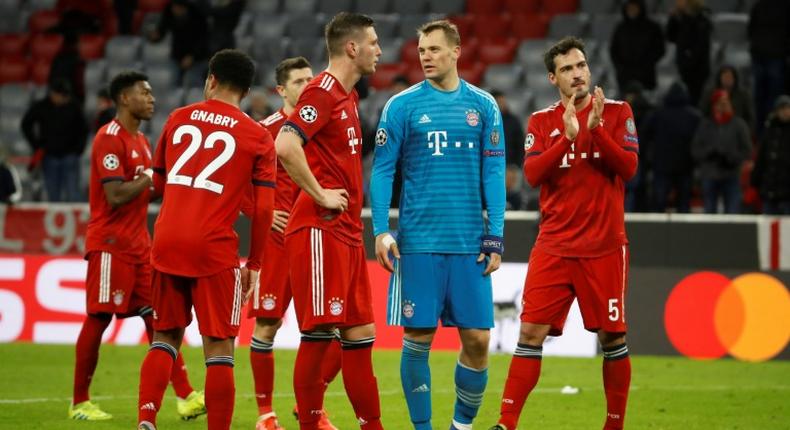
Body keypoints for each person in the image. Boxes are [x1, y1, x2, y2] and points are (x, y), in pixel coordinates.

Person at [489, 37, 638, 430]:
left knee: (611, 340)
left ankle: (613, 425)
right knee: (530, 332)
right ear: (553, 77)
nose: (577, 74)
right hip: (554, 246)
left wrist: (598, 132)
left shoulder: (618, 112)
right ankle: (506, 423)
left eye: (582, 66)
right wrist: (568, 138)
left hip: (604, 247)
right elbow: (534, 175)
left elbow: (629, 169)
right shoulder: (541, 121)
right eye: (568, 69)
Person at [370, 20, 505, 430]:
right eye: (422, 49)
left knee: (479, 341)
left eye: (434, 49)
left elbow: (494, 174)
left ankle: (460, 426)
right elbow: (382, 171)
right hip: (419, 245)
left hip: (469, 245)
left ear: (456, 51)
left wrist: (495, 237)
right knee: (418, 341)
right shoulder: (402, 106)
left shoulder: (483, 106)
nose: (425, 56)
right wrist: (380, 229)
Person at [137, 49, 276, 430]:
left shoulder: (178, 117)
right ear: (246, 91)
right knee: (219, 347)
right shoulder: (256, 135)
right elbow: (264, 211)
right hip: (213, 247)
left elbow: (161, 181)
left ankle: (146, 419)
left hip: (165, 240)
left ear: (211, 79)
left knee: (164, 336)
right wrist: (256, 265)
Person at [73, 71, 204, 421]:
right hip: (111, 244)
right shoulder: (108, 138)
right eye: (144, 93)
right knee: (99, 318)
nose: (151, 99)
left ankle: (186, 395)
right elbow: (115, 196)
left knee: (158, 320)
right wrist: (149, 177)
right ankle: (79, 401)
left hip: (139, 247)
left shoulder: (143, 140)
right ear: (123, 99)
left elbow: (150, 189)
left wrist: (177, 176)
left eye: (151, 93)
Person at [274, 12, 384, 430]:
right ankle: (308, 423)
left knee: (360, 338)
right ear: (352, 48)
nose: (379, 50)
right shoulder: (321, 91)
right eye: (373, 42)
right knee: (319, 337)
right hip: (319, 228)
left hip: (347, 233)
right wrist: (319, 194)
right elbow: (285, 144)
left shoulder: (348, 96)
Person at [244, 57, 342, 430]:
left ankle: (310, 408)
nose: (307, 85)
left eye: (310, 79)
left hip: (321, 239)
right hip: (278, 245)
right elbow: (238, 184)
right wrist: (261, 214)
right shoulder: (264, 131)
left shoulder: (323, 127)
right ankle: (266, 414)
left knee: (334, 329)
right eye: (298, 81)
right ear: (281, 91)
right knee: (266, 327)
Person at [21, 78, 88, 202]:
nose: (64, 99)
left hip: (70, 157)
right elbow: (26, 124)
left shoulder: (74, 106)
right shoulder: (42, 106)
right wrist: (36, 145)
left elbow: (84, 129)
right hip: (49, 157)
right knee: (53, 196)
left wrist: (78, 149)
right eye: (62, 96)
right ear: (54, 94)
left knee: (72, 194)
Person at [642, 82, 701, 213]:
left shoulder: (658, 114)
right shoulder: (694, 116)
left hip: (662, 165)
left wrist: (649, 159)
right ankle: (685, 233)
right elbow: (701, 141)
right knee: (684, 203)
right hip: (685, 166)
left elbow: (643, 136)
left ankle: (654, 232)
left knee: (659, 203)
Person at [691, 89, 752, 214]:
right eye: (720, 102)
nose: (724, 105)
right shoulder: (705, 124)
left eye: (726, 102)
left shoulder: (738, 124)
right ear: (714, 105)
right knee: (709, 214)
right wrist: (710, 153)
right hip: (710, 175)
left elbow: (747, 150)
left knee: (733, 213)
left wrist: (731, 158)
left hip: (732, 174)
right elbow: (695, 150)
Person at [748, 0, 790, 136]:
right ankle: (770, 132)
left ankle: (760, 132)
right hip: (775, 56)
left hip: (762, 54)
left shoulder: (759, 5)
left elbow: (750, 28)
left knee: (760, 97)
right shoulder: (785, 6)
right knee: (773, 97)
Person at [147, 0, 210, 87]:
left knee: (192, 81)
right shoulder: (169, 10)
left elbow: (203, 40)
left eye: (178, 8)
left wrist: (192, 56)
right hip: (177, 54)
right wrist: (156, 35)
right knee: (172, 80)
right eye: (173, 7)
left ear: (184, 8)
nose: (174, 10)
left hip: (198, 57)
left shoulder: (198, 15)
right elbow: (162, 28)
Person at [609, 0, 665, 92]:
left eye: (634, 8)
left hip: (646, 76)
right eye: (629, 8)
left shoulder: (652, 27)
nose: (632, 10)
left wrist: (647, 64)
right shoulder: (620, 28)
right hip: (625, 77)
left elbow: (660, 49)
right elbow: (613, 50)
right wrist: (620, 68)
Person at [666, 0, 712, 105]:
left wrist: (687, 61)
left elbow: (699, 45)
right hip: (684, 66)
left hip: (698, 69)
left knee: (695, 99)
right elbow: (671, 37)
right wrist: (673, 19)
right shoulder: (681, 19)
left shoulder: (702, 19)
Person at [752, 95, 790, 214]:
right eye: (782, 108)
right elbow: (761, 159)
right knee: (767, 229)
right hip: (769, 191)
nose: (785, 112)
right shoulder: (769, 131)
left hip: (788, 194)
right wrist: (755, 181)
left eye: (788, 108)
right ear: (776, 111)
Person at [699, 65, 756, 135]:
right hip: (713, 130)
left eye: (730, 77)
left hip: (737, 132)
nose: (727, 80)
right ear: (720, 78)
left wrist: (745, 132)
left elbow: (750, 117)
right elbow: (703, 113)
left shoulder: (743, 95)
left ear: (735, 79)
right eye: (725, 77)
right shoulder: (710, 94)